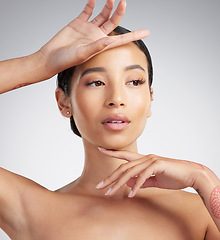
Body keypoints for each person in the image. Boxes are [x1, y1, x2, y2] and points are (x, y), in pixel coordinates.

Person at [0, 0, 220, 239]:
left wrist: (204, 177)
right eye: (96, 82)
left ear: (150, 98)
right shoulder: (30, 210)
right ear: (64, 102)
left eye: (134, 82)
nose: (116, 98)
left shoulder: (200, 212)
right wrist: (39, 62)